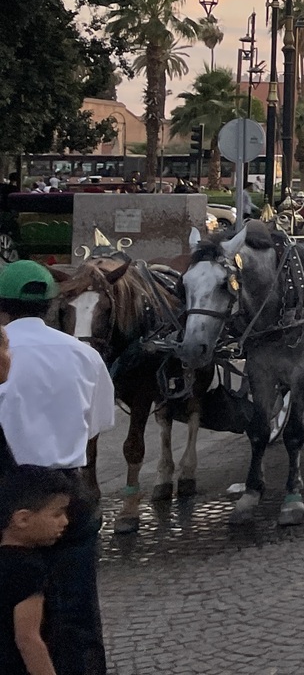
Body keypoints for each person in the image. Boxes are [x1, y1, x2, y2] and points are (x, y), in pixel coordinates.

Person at [0, 261, 113, 675]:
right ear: (52, 305)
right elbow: (98, 424)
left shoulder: (6, 349)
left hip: (10, 494)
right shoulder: (84, 355)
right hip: (67, 493)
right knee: (78, 613)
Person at [1, 467, 71, 675]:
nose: (65, 521)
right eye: (57, 514)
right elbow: (28, 639)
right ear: (23, 519)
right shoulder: (29, 569)